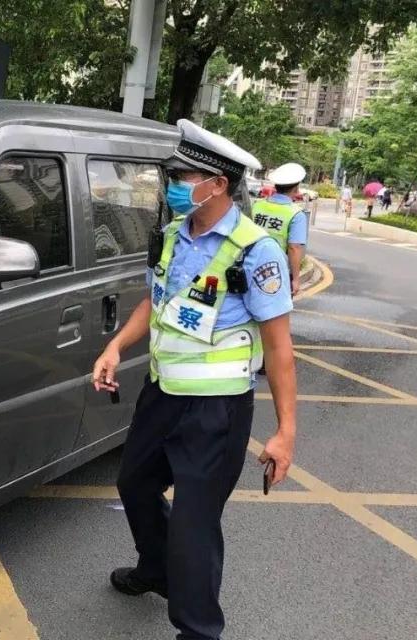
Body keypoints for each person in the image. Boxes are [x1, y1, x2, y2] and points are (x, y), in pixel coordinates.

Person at [93, 119, 297, 640]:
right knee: (134, 485)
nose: (173, 186)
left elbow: (279, 348)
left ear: (218, 184)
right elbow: (155, 302)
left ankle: (199, 629)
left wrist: (285, 431)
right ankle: (156, 570)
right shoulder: (169, 237)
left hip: (217, 411)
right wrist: (116, 346)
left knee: (194, 524)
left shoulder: (257, 252)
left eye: (183, 177)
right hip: (162, 395)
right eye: (173, 176)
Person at [252, 163, 308, 296]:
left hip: (251, 264)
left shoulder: (257, 205)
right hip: (276, 272)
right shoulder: (296, 214)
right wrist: (295, 279)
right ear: (296, 188)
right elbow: (294, 248)